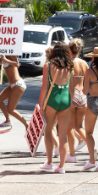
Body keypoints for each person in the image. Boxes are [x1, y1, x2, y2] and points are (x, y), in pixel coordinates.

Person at [38, 42, 74, 173]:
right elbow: (72, 88)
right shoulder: (70, 67)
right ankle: (62, 166)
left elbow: (44, 87)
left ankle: (49, 162)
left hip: (53, 98)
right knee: (63, 134)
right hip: (65, 99)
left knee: (48, 131)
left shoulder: (48, 66)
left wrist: (40, 104)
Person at [66, 39, 89, 162]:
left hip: (71, 94)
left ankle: (72, 155)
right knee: (80, 126)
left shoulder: (68, 63)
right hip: (82, 95)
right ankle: (91, 149)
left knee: (70, 127)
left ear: (69, 49)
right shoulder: (84, 63)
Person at [0, 55, 27, 130]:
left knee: (11, 110)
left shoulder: (12, 55)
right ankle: (8, 120)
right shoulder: (4, 56)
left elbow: (17, 64)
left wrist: (6, 59)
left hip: (18, 84)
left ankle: (27, 125)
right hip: (12, 85)